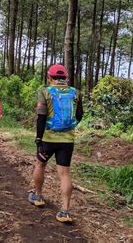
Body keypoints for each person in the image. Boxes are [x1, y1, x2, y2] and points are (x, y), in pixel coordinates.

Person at [28, 64, 84, 224]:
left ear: (49, 77)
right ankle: (65, 211)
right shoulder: (75, 93)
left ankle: (38, 196)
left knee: (40, 165)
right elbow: (80, 115)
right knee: (64, 174)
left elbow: (41, 117)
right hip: (67, 140)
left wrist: (38, 138)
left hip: (48, 139)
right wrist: (68, 128)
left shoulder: (45, 92)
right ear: (66, 77)